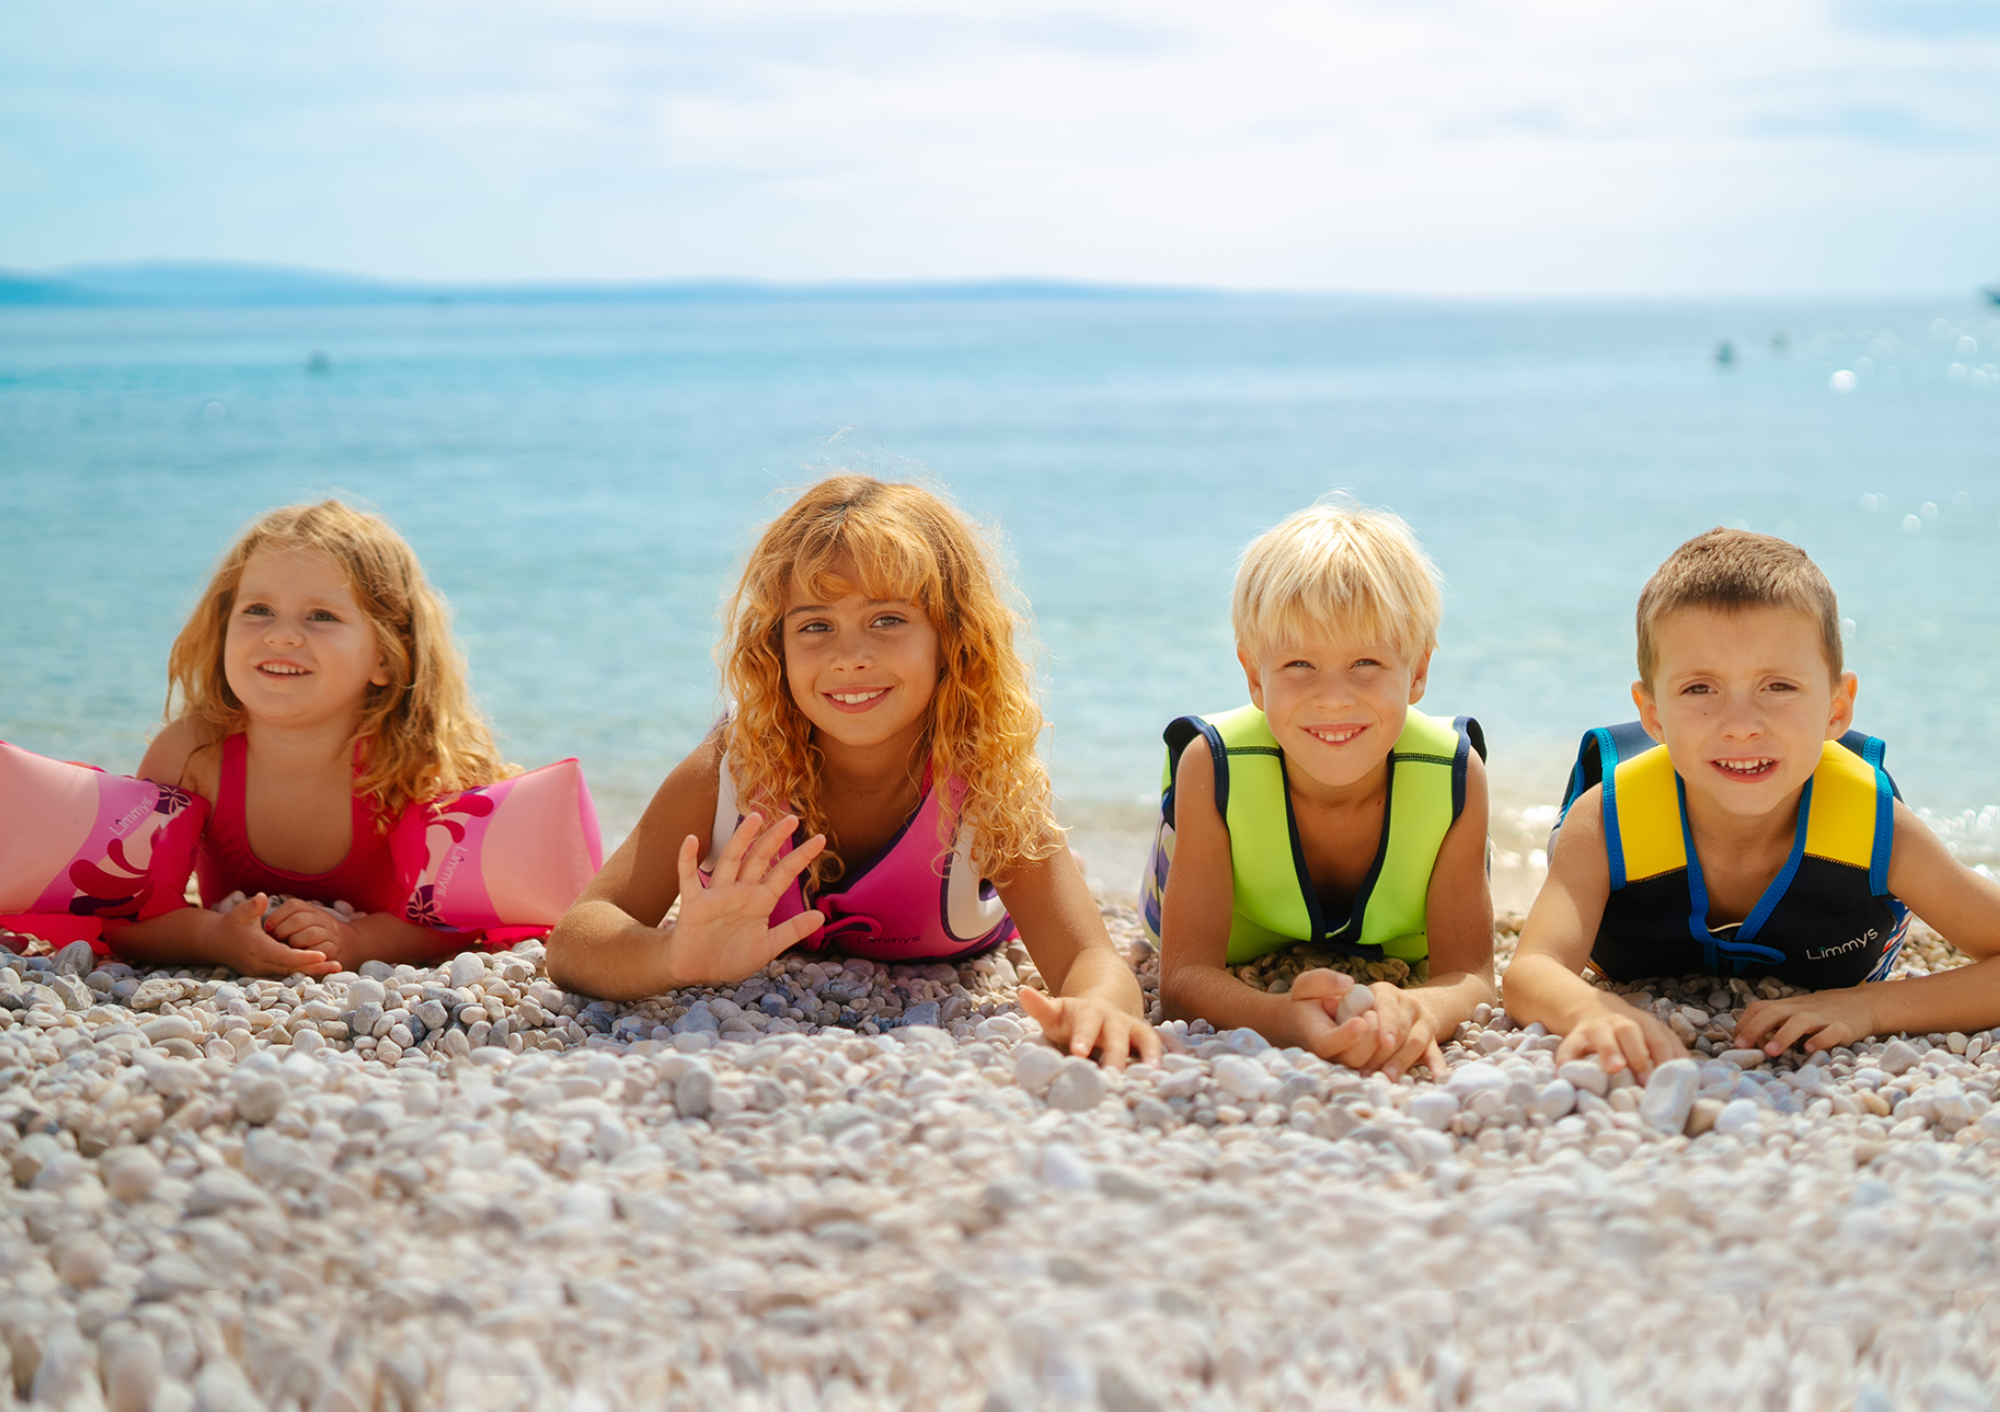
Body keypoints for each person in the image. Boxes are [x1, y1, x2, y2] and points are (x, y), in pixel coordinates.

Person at [548, 475, 1157, 1067]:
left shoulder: (985, 779)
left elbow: (1089, 957)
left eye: (887, 619)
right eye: (815, 625)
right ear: (775, 648)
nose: (850, 657)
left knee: (1022, 868)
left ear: (951, 638)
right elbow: (579, 936)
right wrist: (675, 955)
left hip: (974, 912)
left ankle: (1037, 875)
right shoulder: (732, 770)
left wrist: (1097, 1010)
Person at [1503, 528, 2000, 1076]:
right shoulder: (1603, 823)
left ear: (1837, 708)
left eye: (1779, 686)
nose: (1741, 726)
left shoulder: (1880, 831)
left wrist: (1867, 1007)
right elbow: (1531, 970)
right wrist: (1590, 1012)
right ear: (1652, 715)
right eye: (1700, 689)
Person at [1145, 503, 1494, 1077]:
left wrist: (1418, 1010)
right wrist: (1282, 1019)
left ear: (1420, 671)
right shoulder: (1212, 767)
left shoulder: (1455, 775)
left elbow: (1472, 976)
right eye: (1300, 664)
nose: (1334, 698)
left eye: (1366, 662)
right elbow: (1182, 981)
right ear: (1256, 676)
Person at [117, 500, 516, 976]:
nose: (282, 635)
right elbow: (129, 915)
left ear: (387, 658)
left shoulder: (421, 763)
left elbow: (455, 919)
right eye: (258, 609)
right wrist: (213, 938)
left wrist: (356, 941)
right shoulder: (192, 754)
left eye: (321, 616)